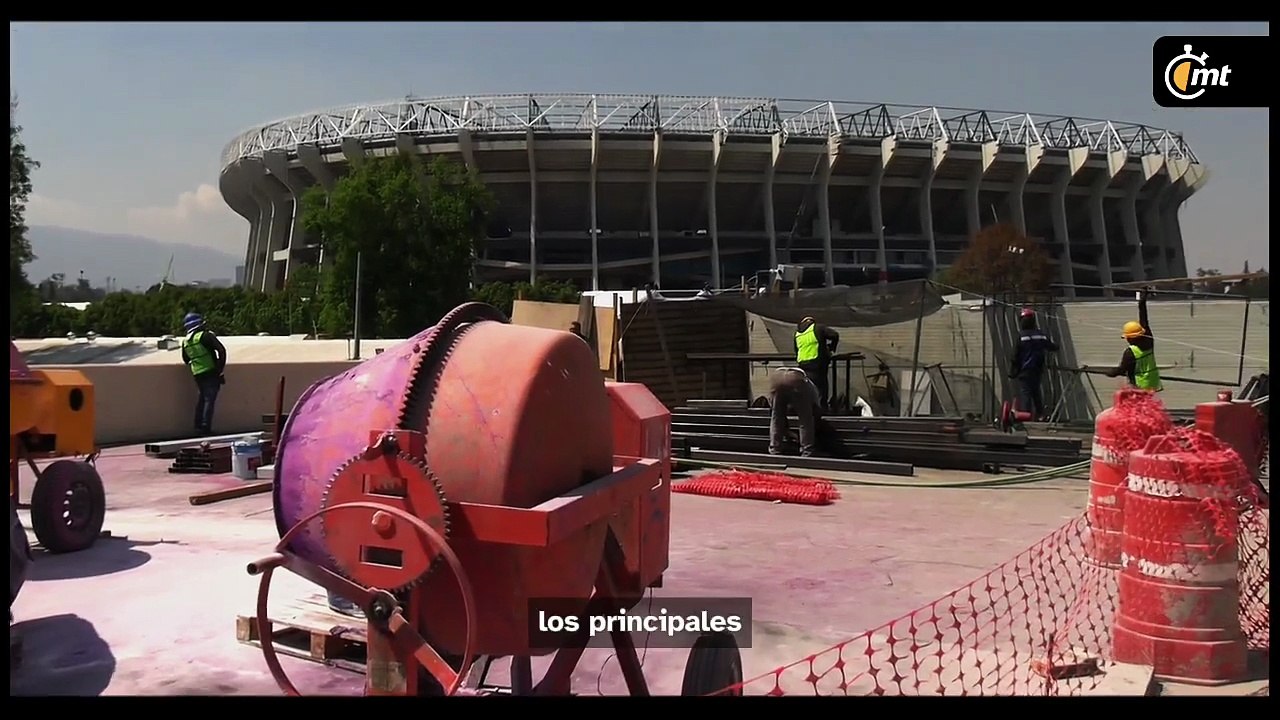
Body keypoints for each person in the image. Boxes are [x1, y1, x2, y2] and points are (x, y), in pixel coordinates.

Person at [1104, 289, 1163, 392]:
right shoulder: (1149, 341)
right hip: (1153, 383)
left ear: (1130, 338)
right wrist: (1142, 301)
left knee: (1137, 407)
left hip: (1139, 386)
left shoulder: (1131, 352)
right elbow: (1144, 320)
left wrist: (1109, 372)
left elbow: (1121, 369)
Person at [180, 313, 228, 435]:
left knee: (202, 399)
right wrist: (219, 369)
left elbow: (186, 359)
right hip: (211, 371)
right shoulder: (206, 336)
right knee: (209, 400)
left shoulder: (186, 341)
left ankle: (197, 425)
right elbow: (221, 350)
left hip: (197, 373)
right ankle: (206, 428)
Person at [1008, 308, 1058, 421]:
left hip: (1025, 370)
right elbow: (1051, 346)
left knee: (1026, 393)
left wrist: (1012, 371)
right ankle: (1040, 415)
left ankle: (1026, 417)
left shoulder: (1021, 336)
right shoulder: (1040, 335)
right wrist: (1056, 346)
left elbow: (1015, 355)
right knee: (1036, 393)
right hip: (1037, 369)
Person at [768, 367, 822, 457]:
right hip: (795, 378)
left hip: (777, 377)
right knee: (805, 419)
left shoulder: (808, 385)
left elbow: (773, 406)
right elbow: (814, 408)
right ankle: (807, 450)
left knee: (776, 417)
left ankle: (775, 448)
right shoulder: (811, 389)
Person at [792, 316, 840, 410]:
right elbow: (835, 335)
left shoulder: (797, 334)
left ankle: (809, 411)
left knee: (807, 390)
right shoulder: (818, 328)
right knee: (821, 390)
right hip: (818, 364)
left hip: (803, 366)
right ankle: (822, 411)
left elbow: (796, 350)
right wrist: (831, 348)